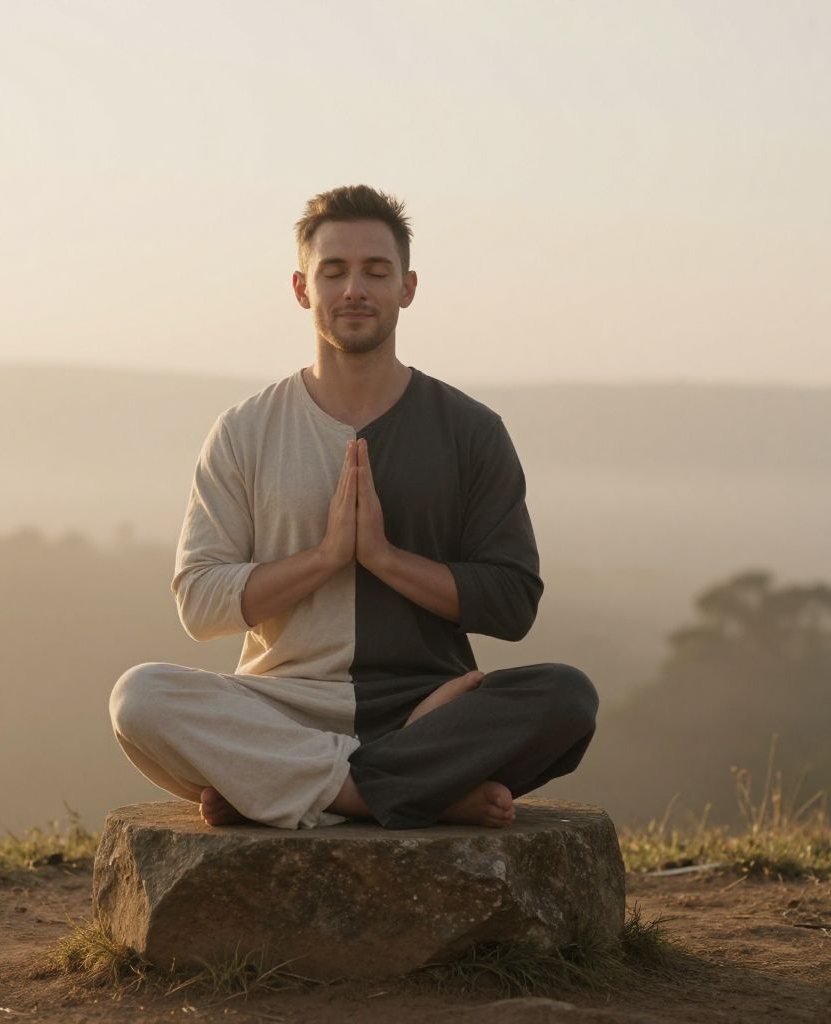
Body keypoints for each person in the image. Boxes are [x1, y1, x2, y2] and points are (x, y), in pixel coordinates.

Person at [109, 184, 598, 831]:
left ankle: (284, 784)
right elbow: (199, 604)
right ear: (301, 287)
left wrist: (384, 559)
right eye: (333, 271)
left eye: (376, 271)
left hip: (430, 707)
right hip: (280, 704)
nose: (354, 289)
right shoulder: (245, 430)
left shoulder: (470, 430)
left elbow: (512, 603)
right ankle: (387, 791)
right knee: (140, 698)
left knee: (566, 697)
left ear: (408, 287)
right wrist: (325, 559)